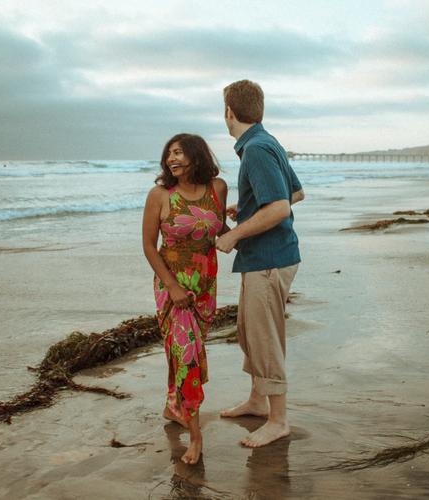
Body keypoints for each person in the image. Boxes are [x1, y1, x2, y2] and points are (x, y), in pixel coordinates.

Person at [215, 80, 305, 448]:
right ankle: (256, 401)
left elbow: (281, 206)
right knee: (250, 332)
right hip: (265, 258)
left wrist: (235, 234)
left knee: (264, 338)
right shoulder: (266, 143)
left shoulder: (255, 148)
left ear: (229, 113)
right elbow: (295, 192)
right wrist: (250, 209)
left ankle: (278, 420)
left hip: (269, 259)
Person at [142, 133, 228, 464]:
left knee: (182, 354)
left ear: (196, 155)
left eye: (178, 153)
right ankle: (195, 435)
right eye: (169, 155)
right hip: (173, 287)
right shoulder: (160, 195)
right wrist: (174, 288)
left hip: (205, 286)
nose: (171, 159)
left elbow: (219, 229)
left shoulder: (217, 189)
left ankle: (172, 405)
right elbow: (150, 246)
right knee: (187, 355)